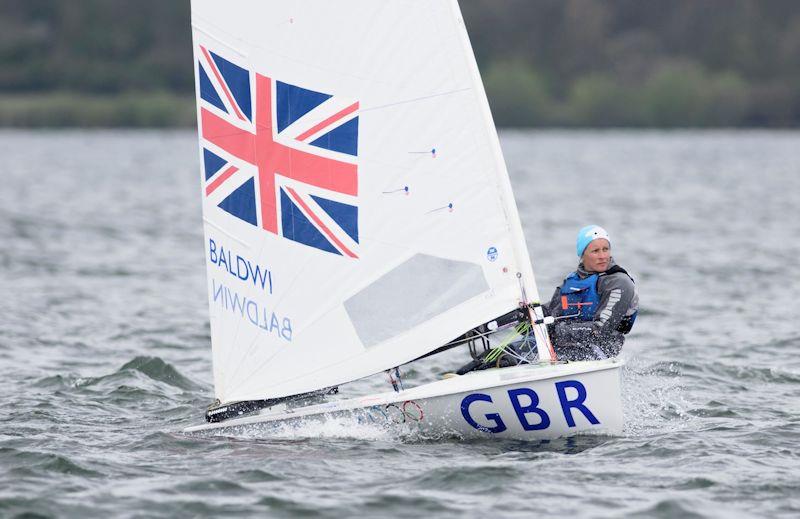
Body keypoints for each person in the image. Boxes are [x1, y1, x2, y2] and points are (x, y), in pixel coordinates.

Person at [542, 225, 638, 361]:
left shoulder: (619, 282)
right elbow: (552, 311)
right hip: (563, 345)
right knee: (507, 353)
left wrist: (557, 331)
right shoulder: (572, 281)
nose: (602, 256)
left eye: (606, 249)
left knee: (530, 356)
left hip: (598, 350)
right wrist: (527, 314)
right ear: (582, 255)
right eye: (595, 251)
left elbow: (601, 330)